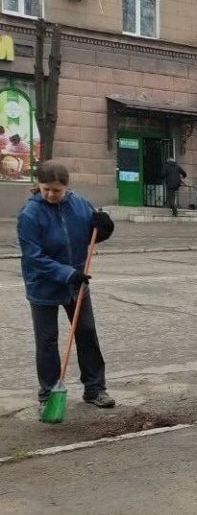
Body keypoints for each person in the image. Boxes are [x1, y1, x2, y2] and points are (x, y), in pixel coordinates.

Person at [17, 161, 116, 411]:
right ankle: (48, 396)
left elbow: (92, 232)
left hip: (76, 283)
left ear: (66, 187)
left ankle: (95, 389)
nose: (51, 194)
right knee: (47, 341)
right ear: (38, 185)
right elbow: (33, 256)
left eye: (57, 190)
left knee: (86, 334)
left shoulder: (79, 204)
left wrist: (105, 228)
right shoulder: (30, 214)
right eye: (46, 189)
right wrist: (66, 273)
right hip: (43, 286)